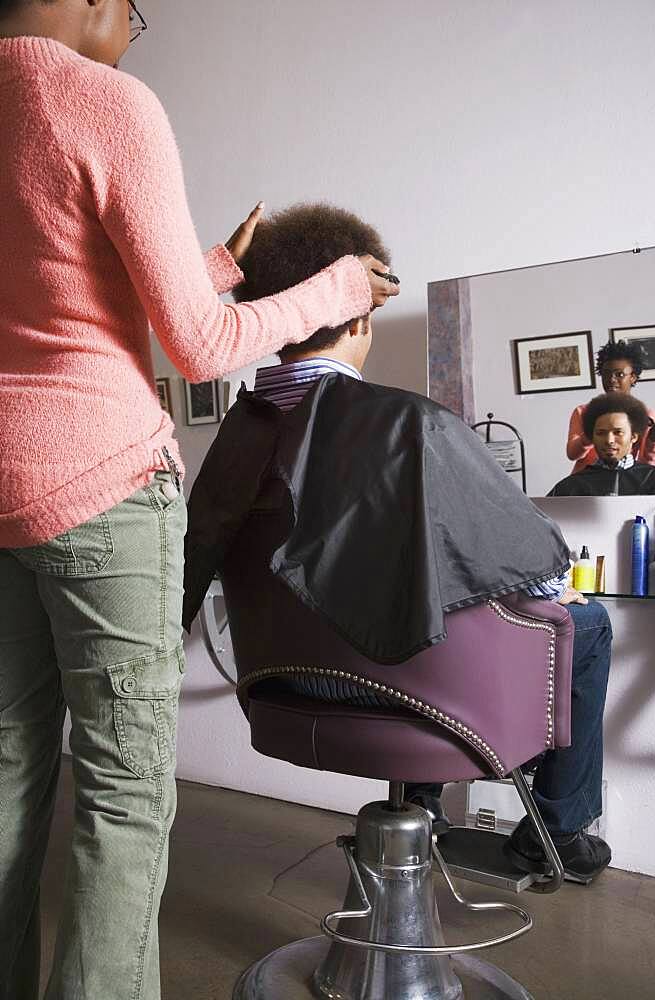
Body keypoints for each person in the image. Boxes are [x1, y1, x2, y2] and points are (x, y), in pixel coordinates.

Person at [0, 3, 399, 997]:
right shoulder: (102, 101)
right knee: (124, 789)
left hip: (3, 493)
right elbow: (200, 350)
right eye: (134, 12)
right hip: (98, 485)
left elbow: (49, 282)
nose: (132, 33)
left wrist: (210, 269)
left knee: (7, 768)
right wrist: (335, 285)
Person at [183, 203, 613, 886]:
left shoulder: (235, 438)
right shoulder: (410, 425)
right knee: (583, 621)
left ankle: (425, 811)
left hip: (280, 689)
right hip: (425, 705)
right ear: (360, 316)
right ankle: (556, 829)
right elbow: (537, 579)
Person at [566, 339, 655, 473]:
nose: (612, 380)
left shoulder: (646, 416)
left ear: (633, 377)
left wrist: (652, 442)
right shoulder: (583, 412)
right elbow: (572, 454)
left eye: (620, 374)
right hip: (584, 485)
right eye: (606, 374)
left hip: (626, 485)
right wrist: (590, 434)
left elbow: (645, 467)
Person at [552, 394, 655, 496]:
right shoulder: (570, 487)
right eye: (601, 433)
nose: (609, 440)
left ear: (633, 437)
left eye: (618, 432)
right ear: (592, 437)